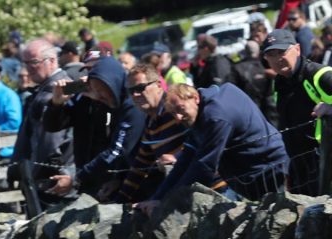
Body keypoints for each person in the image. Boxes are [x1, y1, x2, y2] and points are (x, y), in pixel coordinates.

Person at [138, 83, 288, 210]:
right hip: (252, 173)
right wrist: (157, 197)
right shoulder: (201, 110)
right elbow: (186, 158)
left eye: (180, 109)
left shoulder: (215, 116)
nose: (177, 118)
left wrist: (165, 203)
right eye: (173, 113)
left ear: (195, 98)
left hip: (269, 171)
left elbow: (205, 165)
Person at [115, 63, 226, 202]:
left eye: (140, 88)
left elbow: (208, 139)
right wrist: (118, 201)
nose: (135, 95)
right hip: (188, 193)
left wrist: (178, 157)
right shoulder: (151, 122)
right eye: (130, 91)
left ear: (159, 85)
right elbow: (140, 166)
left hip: (215, 189)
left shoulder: (177, 109)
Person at [45, 56, 147, 200]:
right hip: (90, 174)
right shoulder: (85, 95)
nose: (88, 78)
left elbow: (119, 149)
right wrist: (56, 103)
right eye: (87, 71)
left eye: (96, 70)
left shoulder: (123, 101)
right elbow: (52, 126)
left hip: (112, 175)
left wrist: (77, 177)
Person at [265, 28, 332, 195]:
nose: (277, 59)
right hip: (300, 165)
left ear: (297, 49)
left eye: (282, 51)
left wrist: (330, 107)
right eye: (271, 54)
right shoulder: (279, 83)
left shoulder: (318, 74)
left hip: (326, 160)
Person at [10, 38, 75, 207]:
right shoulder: (44, 90)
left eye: (34, 62)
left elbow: (51, 142)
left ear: (52, 61)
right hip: (43, 179)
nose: (28, 68)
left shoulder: (62, 89)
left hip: (53, 183)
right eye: (25, 63)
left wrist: (36, 175)